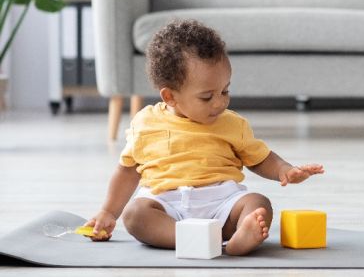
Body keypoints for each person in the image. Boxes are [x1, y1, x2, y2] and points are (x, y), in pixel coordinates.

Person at [85, 19, 324, 255]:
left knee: (258, 203)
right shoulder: (146, 123)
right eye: (207, 97)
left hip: (221, 201)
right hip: (167, 204)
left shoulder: (233, 123)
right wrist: (108, 212)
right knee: (135, 215)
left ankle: (239, 237)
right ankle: (193, 239)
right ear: (170, 97)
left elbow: (260, 158)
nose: (220, 102)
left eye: (225, 91)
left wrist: (284, 170)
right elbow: (127, 172)